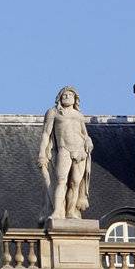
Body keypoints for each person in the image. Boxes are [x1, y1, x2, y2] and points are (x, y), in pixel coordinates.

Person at [38, 86, 93, 219]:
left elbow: (85, 134)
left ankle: (71, 212)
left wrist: (88, 140)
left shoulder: (79, 115)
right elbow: (46, 134)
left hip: (80, 150)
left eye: (70, 95)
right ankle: (58, 211)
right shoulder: (54, 112)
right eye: (64, 95)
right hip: (64, 149)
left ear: (75, 99)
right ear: (59, 98)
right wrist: (42, 153)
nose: (67, 96)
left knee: (75, 183)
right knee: (61, 181)